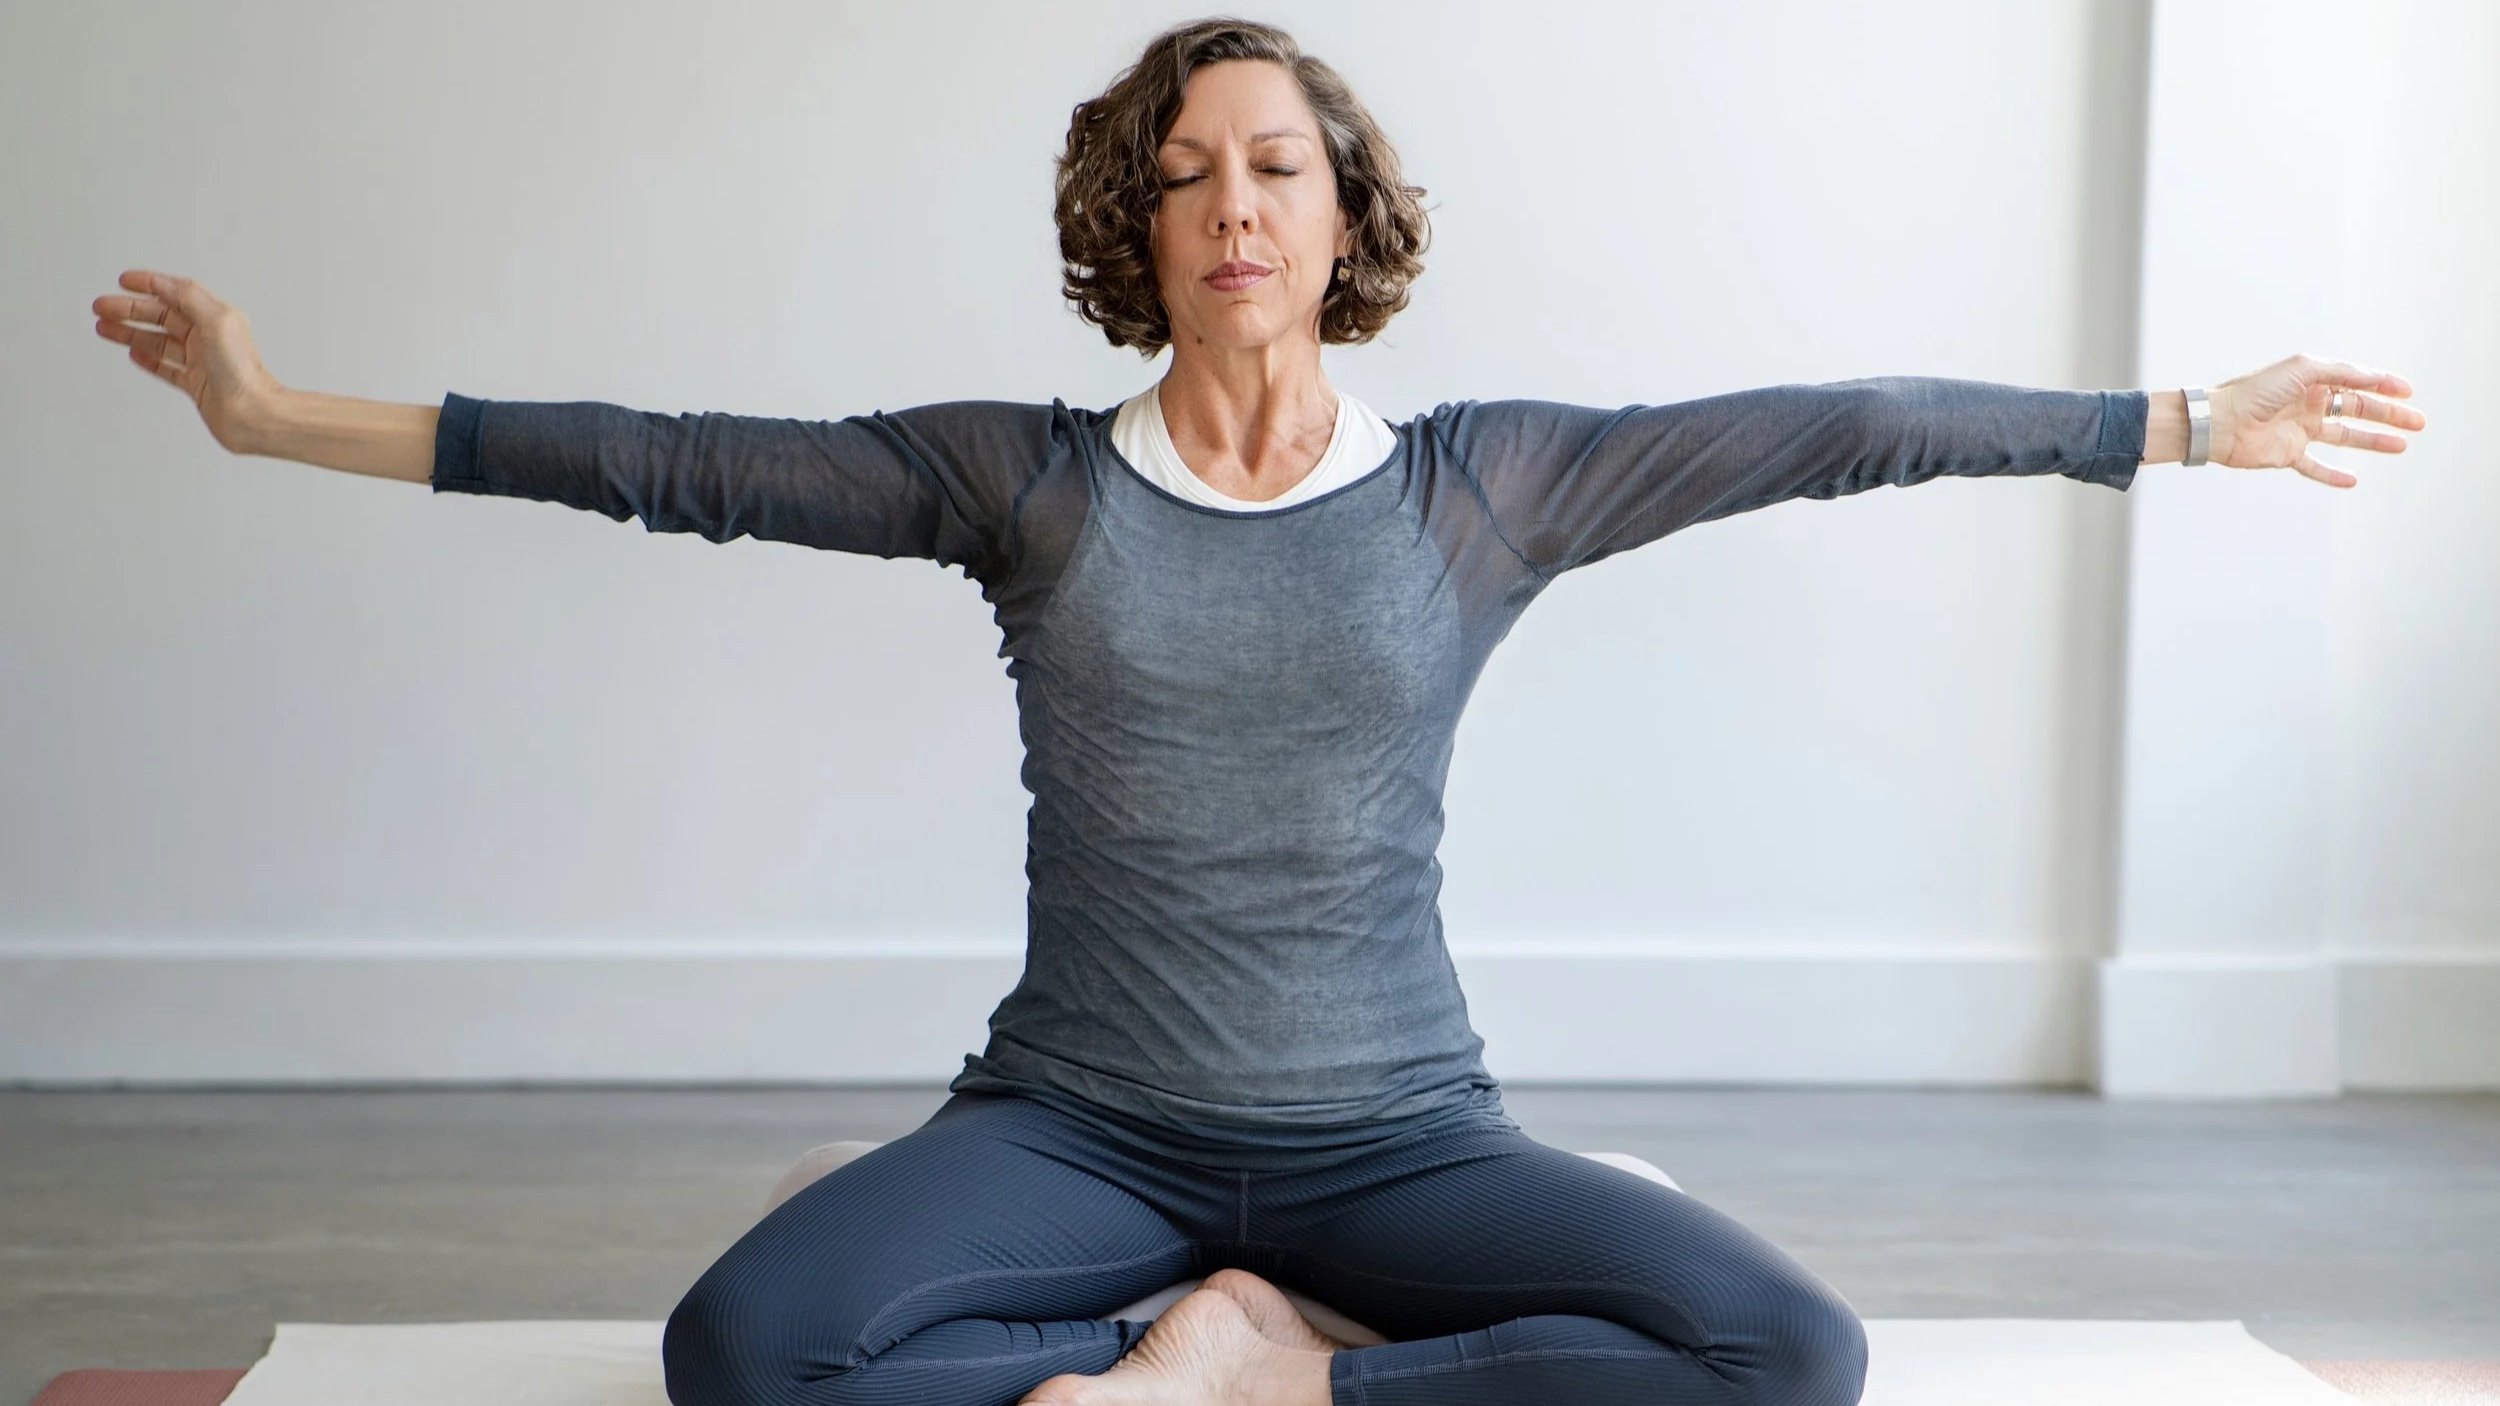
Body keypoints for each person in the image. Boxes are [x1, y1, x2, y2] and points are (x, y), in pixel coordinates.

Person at [91, 15, 2424, 1406]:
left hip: (1395, 1139)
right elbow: (660, 463)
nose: (1231, 202)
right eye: (1184, 171)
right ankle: (1111, 1298)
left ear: (1339, 217)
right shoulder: (1016, 480)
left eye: (1273, 165)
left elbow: (1835, 422)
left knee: (1783, 1360)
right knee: (742, 1359)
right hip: (1076, 1127)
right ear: (1138, 224)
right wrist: (270, 412)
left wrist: (2175, 419)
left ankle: (1273, 1362)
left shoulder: (1484, 486)